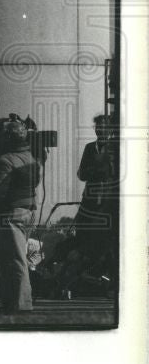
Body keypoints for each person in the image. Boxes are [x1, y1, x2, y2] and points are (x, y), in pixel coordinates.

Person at [0, 119, 41, 314]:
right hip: (28, 211)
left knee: (15, 259)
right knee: (15, 258)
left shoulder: (6, 160)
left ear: (8, 138)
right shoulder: (32, 158)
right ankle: (11, 302)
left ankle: (21, 304)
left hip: (10, 213)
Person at [75, 114, 119, 282]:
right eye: (97, 127)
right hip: (90, 199)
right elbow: (81, 173)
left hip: (109, 199)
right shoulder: (89, 147)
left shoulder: (116, 147)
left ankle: (106, 274)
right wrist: (96, 170)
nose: (100, 130)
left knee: (106, 237)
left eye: (104, 127)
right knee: (84, 233)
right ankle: (87, 273)